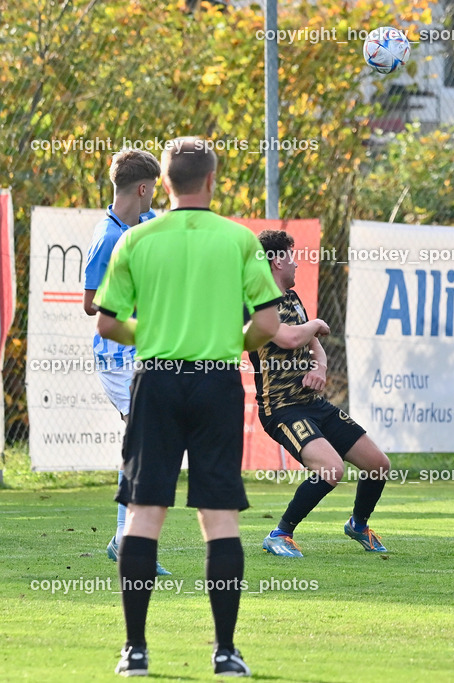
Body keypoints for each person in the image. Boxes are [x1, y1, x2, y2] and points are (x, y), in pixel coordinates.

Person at [95, 137, 283, 677]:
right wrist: (230, 342)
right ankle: (225, 652)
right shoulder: (237, 240)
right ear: (211, 180)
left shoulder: (138, 238)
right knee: (218, 516)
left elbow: (107, 321)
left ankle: (135, 652)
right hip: (216, 382)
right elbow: (268, 325)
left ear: (166, 184)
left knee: (144, 513)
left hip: (156, 381)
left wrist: (152, 332)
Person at [253, 230, 392, 557]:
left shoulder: (293, 298)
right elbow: (288, 338)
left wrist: (320, 369)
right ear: (275, 261)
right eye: (291, 255)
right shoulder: (257, 300)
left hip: (312, 403)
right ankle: (279, 533)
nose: (297, 263)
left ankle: (358, 525)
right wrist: (315, 323)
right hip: (282, 409)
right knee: (331, 469)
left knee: (378, 464)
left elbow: (314, 346)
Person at [83, 148, 170, 576]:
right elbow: (90, 305)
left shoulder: (151, 222)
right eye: (153, 188)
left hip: (149, 352)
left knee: (146, 445)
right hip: (118, 360)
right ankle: (128, 543)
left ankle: (124, 540)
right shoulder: (108, 238)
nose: (155, 195)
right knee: (144, 444)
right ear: (141, 188)